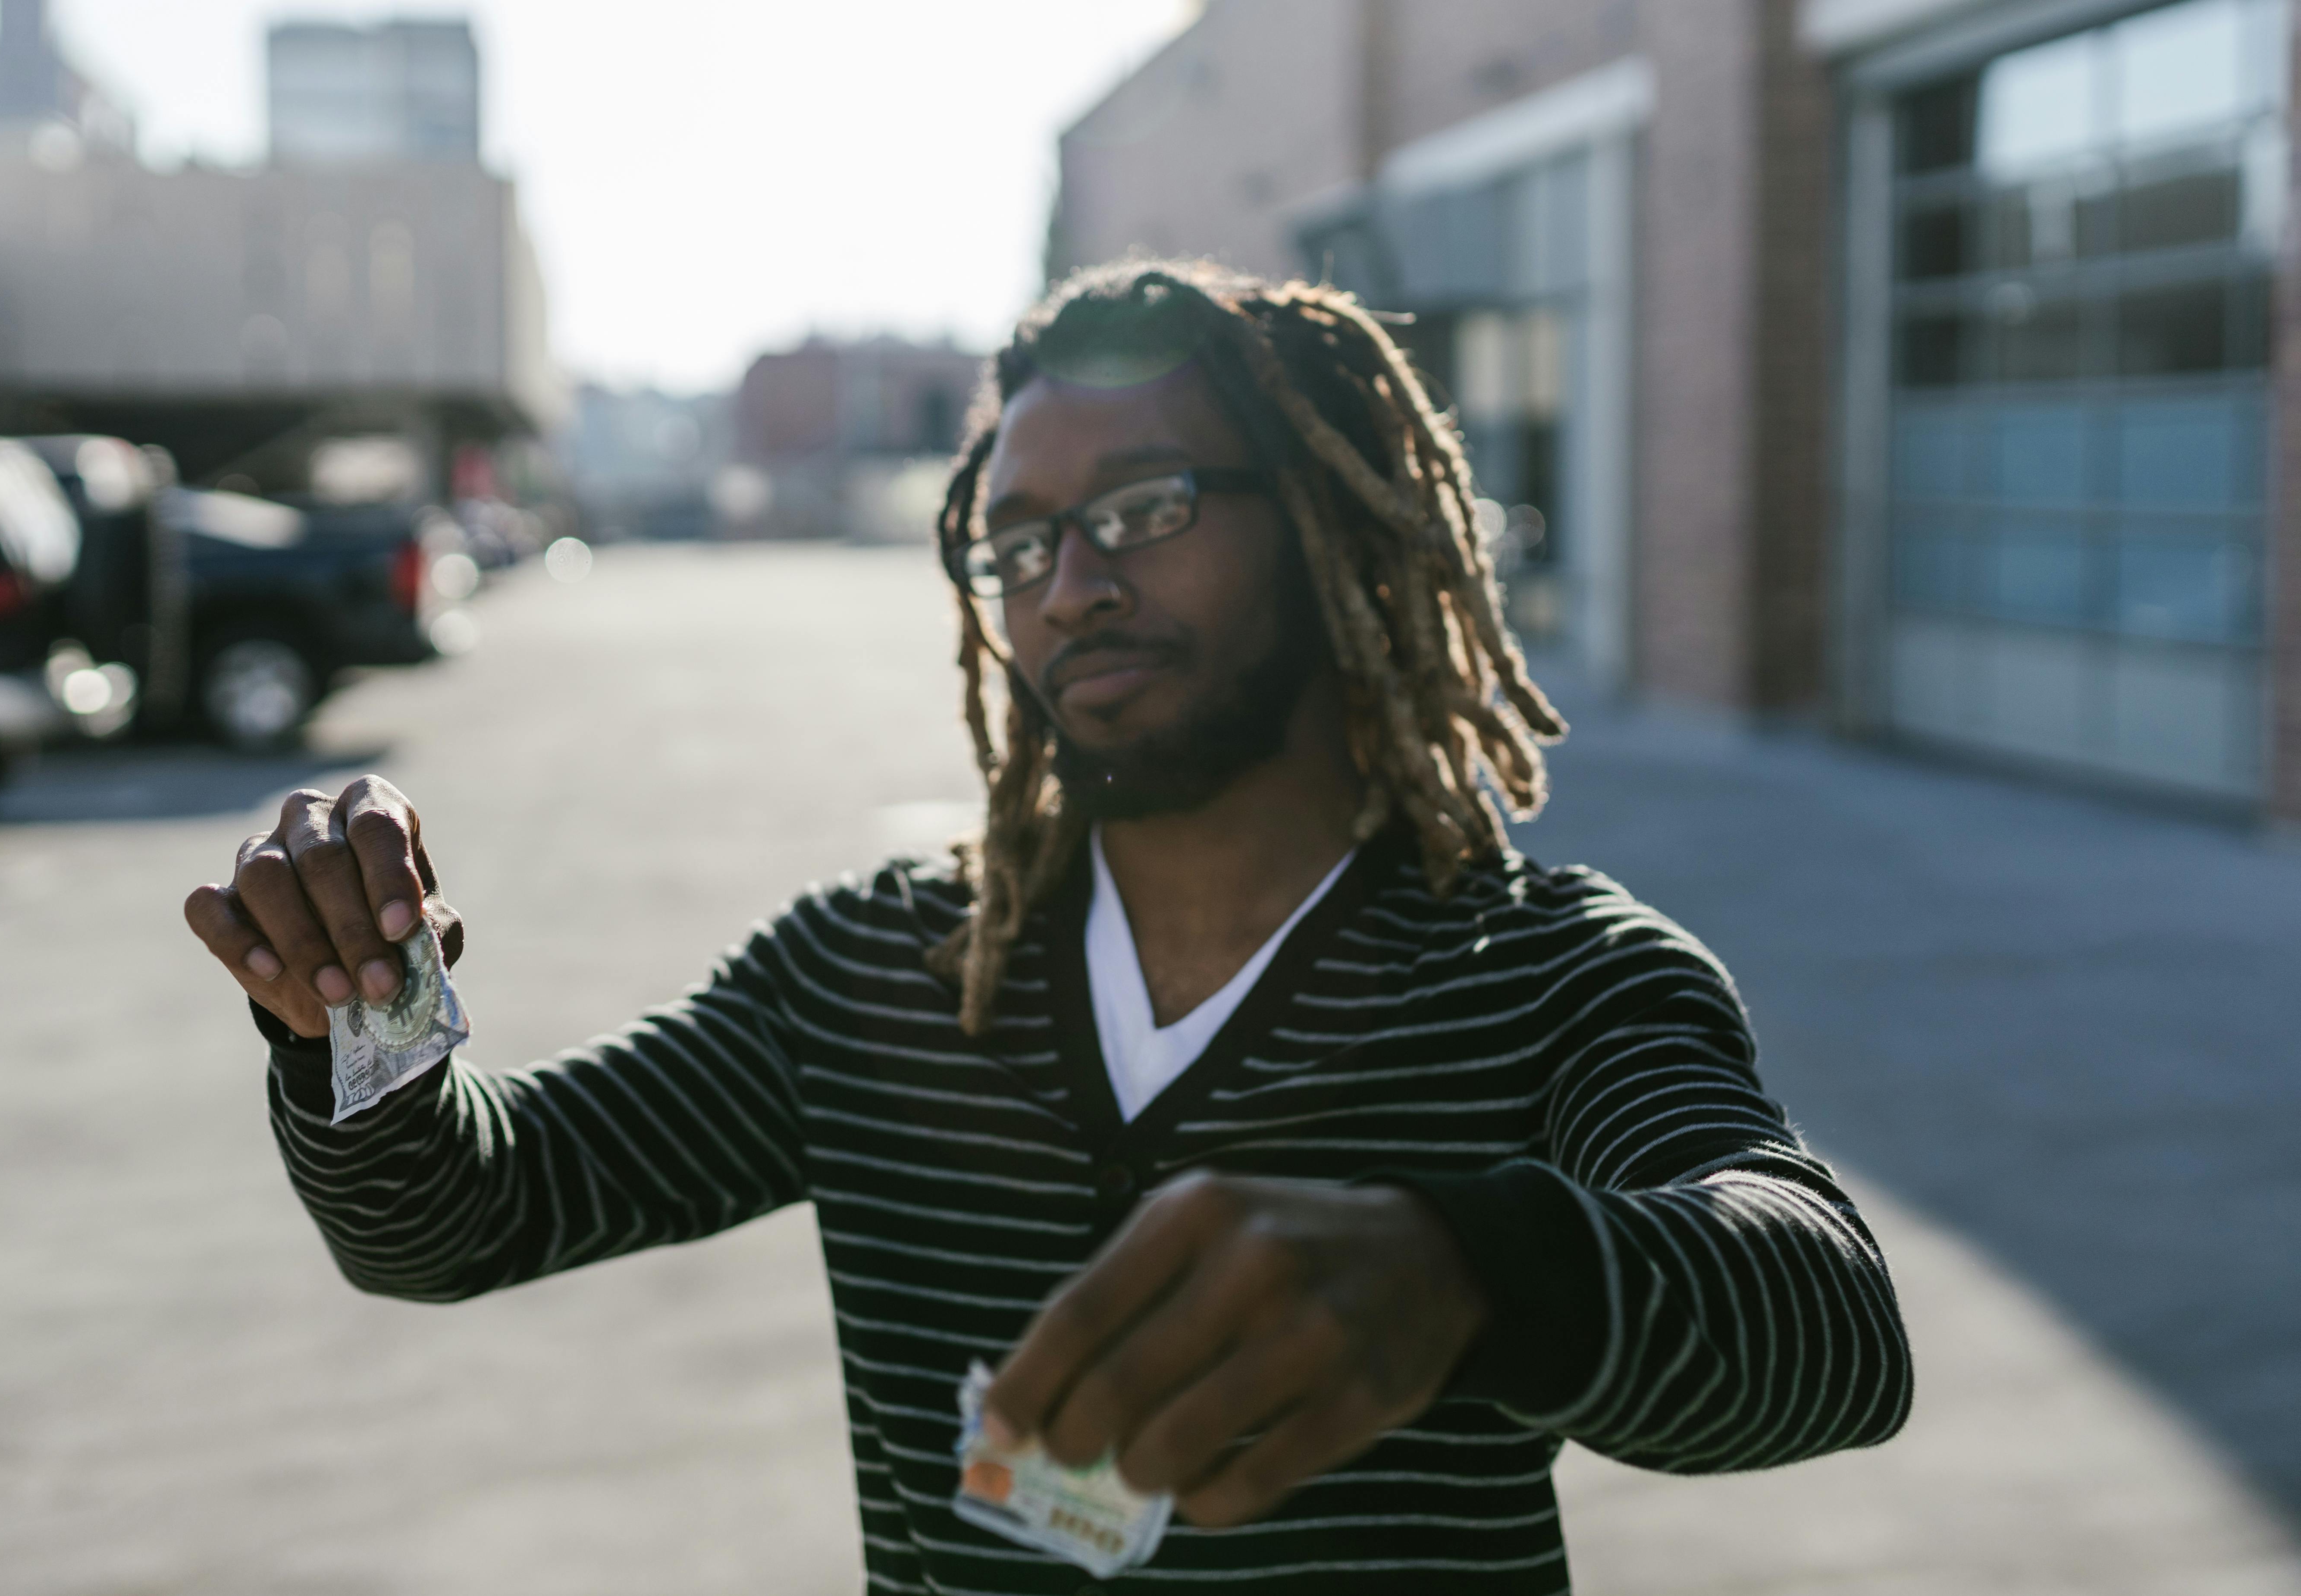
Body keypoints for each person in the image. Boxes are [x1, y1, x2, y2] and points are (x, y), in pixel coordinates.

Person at [185, 260, 1910, 1595]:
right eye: (1016, 542)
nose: (1071, 580)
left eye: (1147, 510)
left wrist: (1461, 1267)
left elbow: (1825, 1324)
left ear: (1328, 531)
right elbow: (467, 1209)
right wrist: (364, 1008)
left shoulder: (1541, 973)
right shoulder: (872, 971)